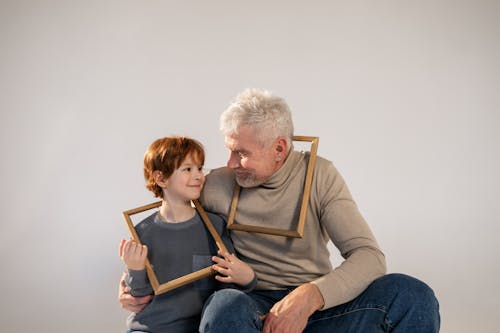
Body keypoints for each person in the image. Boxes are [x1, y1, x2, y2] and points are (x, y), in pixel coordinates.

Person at [119, 89, 440, 332]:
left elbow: (369, 256)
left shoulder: (320, 175)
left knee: (412, 294)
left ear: (279, 149)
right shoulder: (216, 184)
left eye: (241, 153)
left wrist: (311, 296)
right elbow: (170, 225)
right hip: (250, 308)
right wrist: (133, 280)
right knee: (223, 305)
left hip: (319, 307)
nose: (229, 164)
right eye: (229, 150)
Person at [120, 136, 256, 333]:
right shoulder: (142, 232)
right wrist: (135, 269)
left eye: (200, 168)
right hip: (150, 328)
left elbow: (229, 286)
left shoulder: (214, 225)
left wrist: (249, 278)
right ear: (161, 178)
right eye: (187, 169)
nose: (199, 176)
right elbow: (140, 296)